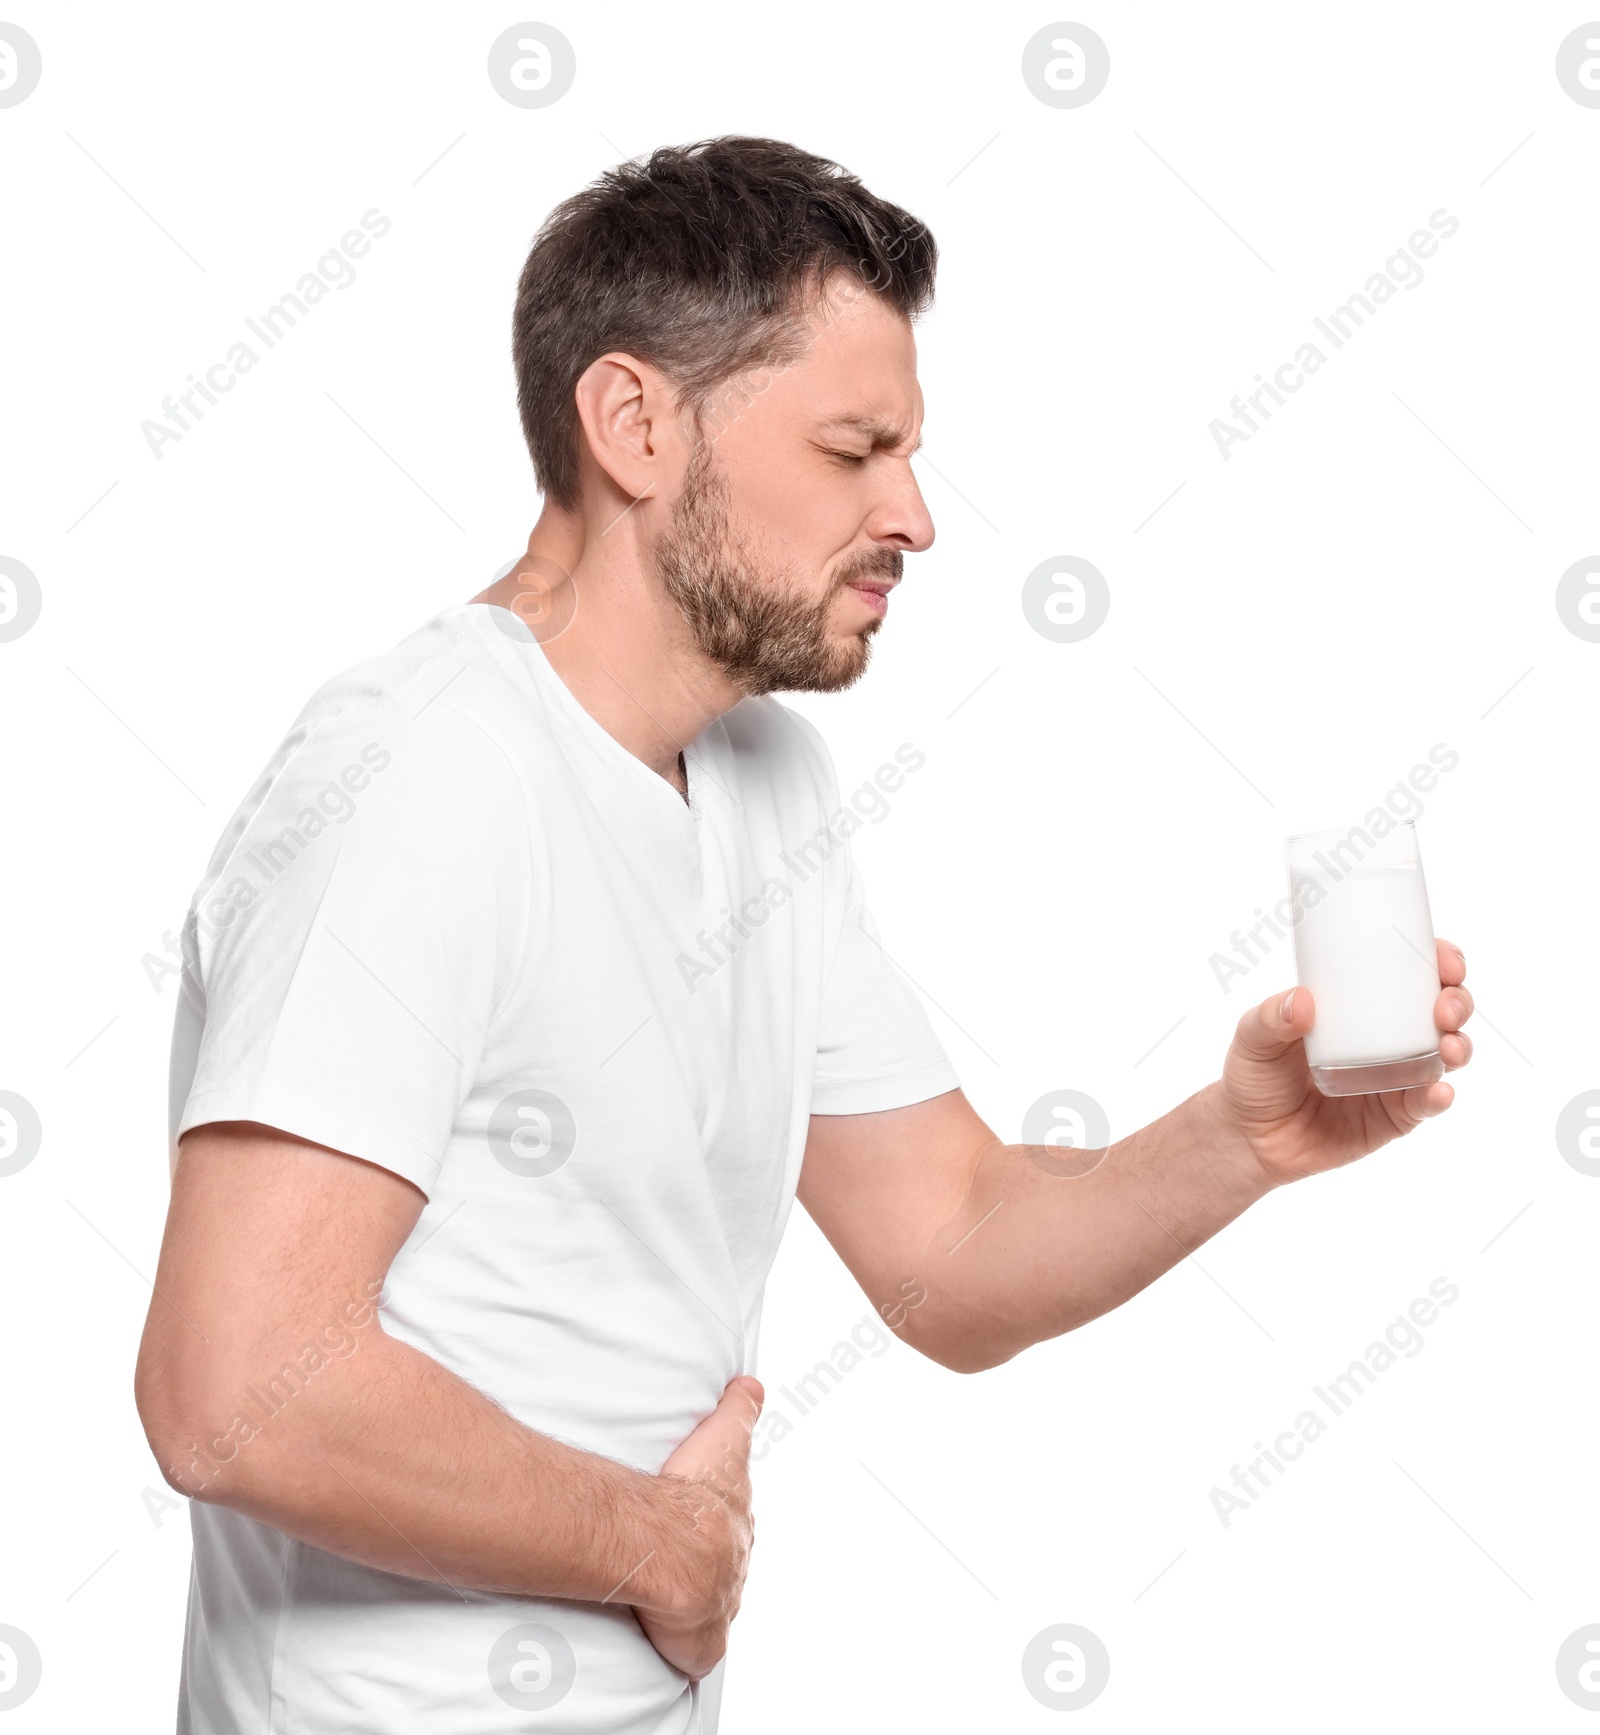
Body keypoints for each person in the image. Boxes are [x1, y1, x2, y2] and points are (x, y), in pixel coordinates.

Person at [135, 136, 1474, 1733]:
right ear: (634, 423)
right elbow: (232, 1394)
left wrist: (1247, 1139)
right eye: (856, 448)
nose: (915, 514)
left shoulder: (767, 781)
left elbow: (951, 1251)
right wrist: (661, 1545)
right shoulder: (418, 778)